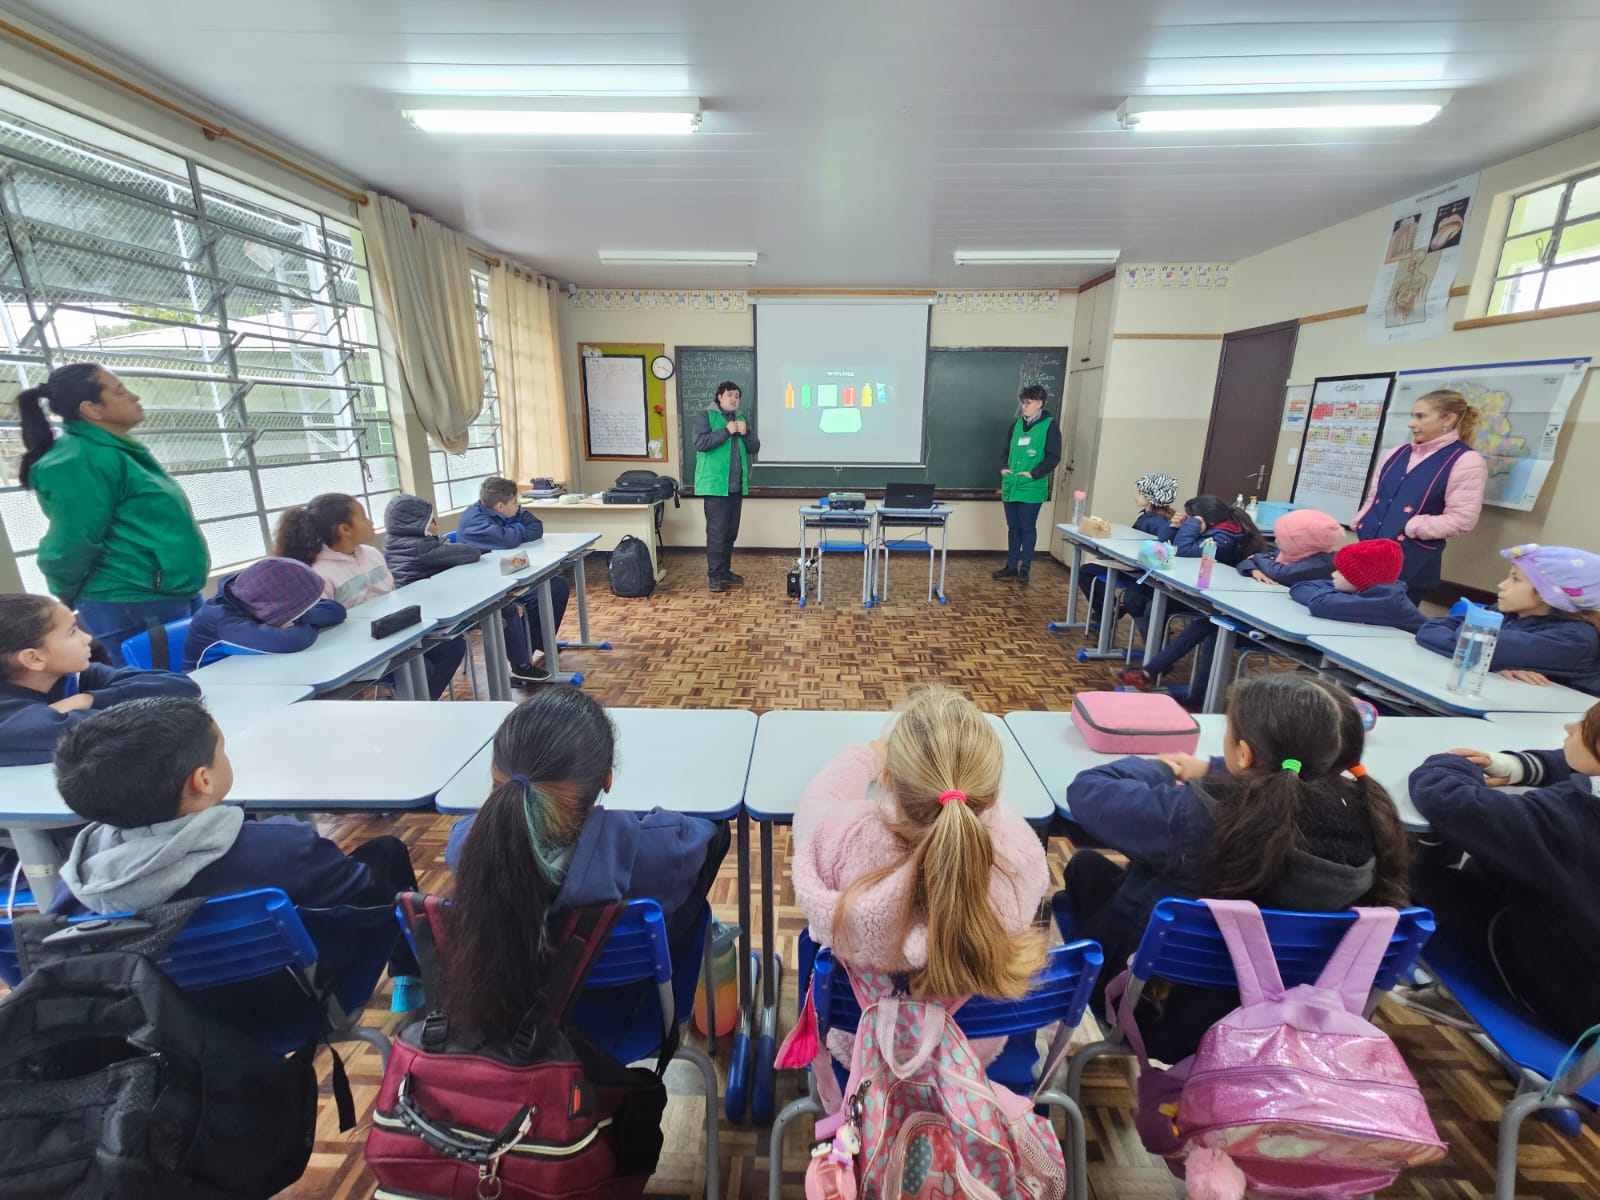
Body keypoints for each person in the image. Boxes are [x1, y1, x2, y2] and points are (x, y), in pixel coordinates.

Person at [1061, 674, 1409, 1063]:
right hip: (1276, 1018)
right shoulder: (1372, 819)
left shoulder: (1199, 818)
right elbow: (1279, 781)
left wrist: (1161, 768)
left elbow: (1089, 790)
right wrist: (1214, 768)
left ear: (1244, 755)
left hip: (1157, 1016)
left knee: (1085, 867)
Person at [48, 696, 422, 1006]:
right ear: (203, 780)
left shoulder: (78, 885)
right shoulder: (282, 847)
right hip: (289, 1000)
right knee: (385, 854)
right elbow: (366, 901)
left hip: (158, 1016)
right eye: (221, 750)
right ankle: (413, 975)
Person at [441, 689, 730, 1040]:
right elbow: (706, 831)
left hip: (504, 1025)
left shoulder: (465, 848)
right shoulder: (660, 850)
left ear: (497, 777)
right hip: (628, 1021)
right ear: (607, 780)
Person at [792, 685, 1049, 1067]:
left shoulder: (845, 840)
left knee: (809, 944)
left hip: (865, 1052)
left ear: (888, 781)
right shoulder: (1018, 858)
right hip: (972, 1059)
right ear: (991, 797)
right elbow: (987, 815)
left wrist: (864, 756)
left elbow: (814, 809)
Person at [1408, 702, 1600, 1041]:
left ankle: (1481, 999)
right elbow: (1582, 768)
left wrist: (1449, 763)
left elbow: (1448, 799)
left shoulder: (1568, 819)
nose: (1569, 727)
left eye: (1584, 727)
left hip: (1573, 1009)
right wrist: (1526, 766)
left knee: (1411, 873)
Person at [15, 363, 209, 664]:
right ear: (91, 409)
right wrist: (66, 596)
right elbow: (71, 543)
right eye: (120, 391)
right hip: (132, 600)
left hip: (168, 592)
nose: (134, 396)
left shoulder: (116, 451)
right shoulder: (79, 460)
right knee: (165, 697)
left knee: (200, 681)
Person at [273, 493, 464, 700]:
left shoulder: (371, 554)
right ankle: (410, 711)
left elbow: (392, 595)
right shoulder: (318, 573)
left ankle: (419, 705)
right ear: (344, 529)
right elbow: (322, 633)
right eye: (363, 517)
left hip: (394, 635)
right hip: (356, 653)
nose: (371, 522)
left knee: (452, 647)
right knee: (419, 667)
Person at [1, 593, 198, 767]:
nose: (87, 637)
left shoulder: (77, 678)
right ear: (34, 658)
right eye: (72, 632)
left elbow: (181, 687)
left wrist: (89, 700)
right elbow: (95, 734)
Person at [1116, 495, 1268, 698]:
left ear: (1205, 519)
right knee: (1140, 597)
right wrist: (1175, 525)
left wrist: (1191, 526)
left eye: (1192, 517)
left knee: (1157, 607)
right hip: (1204, 591)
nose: (1187, 519)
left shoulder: (1223, 537)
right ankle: (1152, 669)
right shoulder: (1215, 530)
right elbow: (1163, 545)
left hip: (1222, 600)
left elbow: (1183, 550)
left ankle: (1158, 673)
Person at [1355, 389, 1487, 604]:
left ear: (1448, 419)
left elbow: (1463, 518)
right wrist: (1362, 519)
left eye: (1420, 416)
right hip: (1366, 553)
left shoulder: (1466, 461)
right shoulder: (1395, 453)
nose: (1411, 423)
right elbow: (1375, 496)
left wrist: (1415, 526)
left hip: (1409, 562)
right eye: (1412, 415)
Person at [1415, 544, 1600, 694]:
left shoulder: (1575, 639)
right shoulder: (1507, 613)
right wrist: (1491, 663)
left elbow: (1473, 646)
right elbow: (1429, 629)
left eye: (1515, 579)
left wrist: (1484, 658)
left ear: (1549, 593)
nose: (1501, 585)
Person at [456, 477, 571, 678]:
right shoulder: (473, 518)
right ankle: (521, 664)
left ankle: (538, 641)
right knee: (509, 606)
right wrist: (514, 532)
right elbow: (507, 539)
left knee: (556, 586)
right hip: (485, 585)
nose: (518, 507)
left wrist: (512, 531)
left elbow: (535, 526)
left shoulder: (505, 511)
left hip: (510, 575)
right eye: (515, 503)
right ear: (500, 506)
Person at [182, 557, 348, 672]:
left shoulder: (255, 598)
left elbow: (336, 611)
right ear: (278, 607)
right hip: (210, 693)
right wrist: (305, 622)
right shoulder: (220, 619)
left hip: (252, 675)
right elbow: (290, 641)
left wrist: (298, 618)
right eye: (298, 611)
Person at [1077, 472, 1180, 620]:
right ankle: (1112, 609)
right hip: (1134, 565)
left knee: (1086, 571)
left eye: (1140, 492)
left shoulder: (1158, 522)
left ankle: (1108, 612)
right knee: (1090, 568)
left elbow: (1151, 553)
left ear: (1151, 497)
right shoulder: (1147, 516)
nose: (1137, 495)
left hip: (1139, 571)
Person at [691, 381, 761, 592]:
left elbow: (754, 447)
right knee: (716, 534)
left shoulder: (740, 419)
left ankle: (725, 572)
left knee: (730, 532)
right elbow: (701, 443)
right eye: (730, 395)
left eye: (737, 396)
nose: (734, 399)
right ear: (719, 397)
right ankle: (714, 576)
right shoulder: (706, 417)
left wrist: (746, 433)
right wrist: (726, 431)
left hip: (735, 487)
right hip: (715, 487)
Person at [994, 384, 1062, 585]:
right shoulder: (1015, 425)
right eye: (1023, 402)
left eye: (1028, 403)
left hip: (1031, 488)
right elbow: (1005, 452)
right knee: (1013, 528)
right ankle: (1011, 566)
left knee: (1027, 527)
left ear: (1040, 403)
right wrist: (1003, 467)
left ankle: (1025, 568)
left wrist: (1034, 473)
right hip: (1011, 486)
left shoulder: (1049, 426)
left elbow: (1053, 456)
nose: (1024, 407)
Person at [1289, 539, 1425, 632]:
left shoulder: (1388, 602)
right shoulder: (1358, 588)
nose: (1333, 574)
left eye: (1341, 572)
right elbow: (1300, 587)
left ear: (1360, 579)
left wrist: (1332, 597)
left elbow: (1319, 605)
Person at [1233, 507, 1344, 586]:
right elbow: (1247, 560)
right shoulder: (1290, 552)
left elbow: (1281, 574)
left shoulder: (1323, 562)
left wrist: (1257, 558)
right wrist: (1253, 570)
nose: (1276, 541)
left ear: (1302, 543)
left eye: (1283, 539)